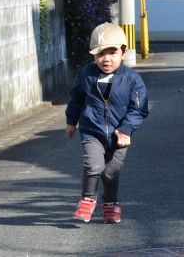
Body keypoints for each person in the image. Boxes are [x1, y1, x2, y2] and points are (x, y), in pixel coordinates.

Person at [66, 23, 149, 224]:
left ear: (123, 52)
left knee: (111, 173)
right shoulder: (87, 74)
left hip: (120, 135)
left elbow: (139, 109)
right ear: (94, 56)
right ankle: (87, 199)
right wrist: (71, 121)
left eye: (112, 52)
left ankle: (110, 203)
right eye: (100, 54)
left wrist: (125, 129)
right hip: (91, 131)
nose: (106, 59)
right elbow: (76, 98)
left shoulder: (132, 79)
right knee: (93, 165)